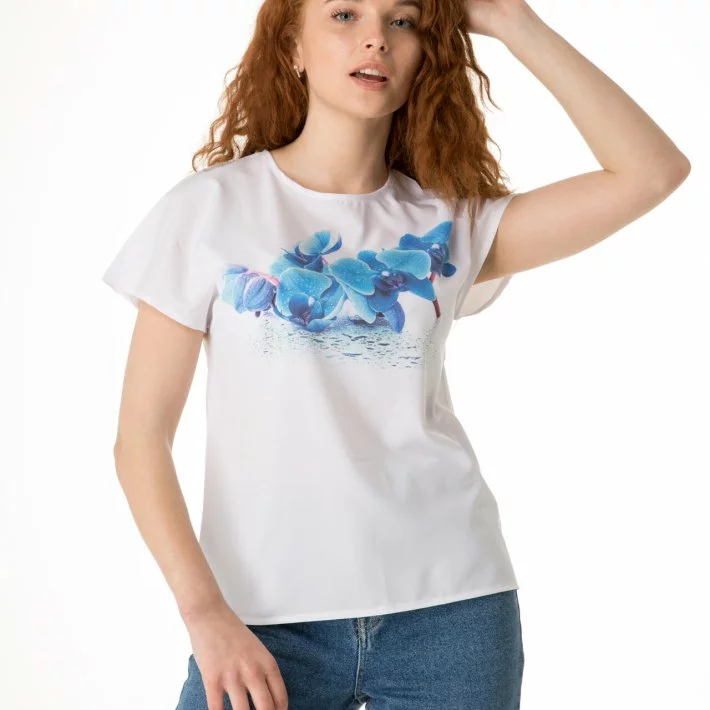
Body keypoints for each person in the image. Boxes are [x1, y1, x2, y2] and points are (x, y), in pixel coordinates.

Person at [102, 0, 690, 708]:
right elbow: (141, 440)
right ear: (292, 48)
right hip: (259, 618)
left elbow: (651, 172)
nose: (376, 38)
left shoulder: (450, 222)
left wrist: (513, 21)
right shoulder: (210, 209)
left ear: (424, 56)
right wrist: (205, 614)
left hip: (452, 613)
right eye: (344, 14)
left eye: (402, 20)